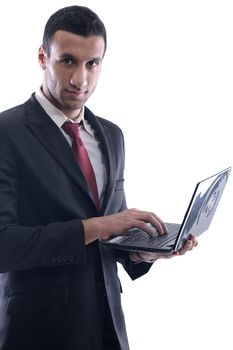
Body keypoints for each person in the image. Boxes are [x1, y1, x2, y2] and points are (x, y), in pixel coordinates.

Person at [0, 5, 198, 350]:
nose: (81, 79)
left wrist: (145, 252)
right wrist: (99, 225)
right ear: (43, 57)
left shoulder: (111, 135)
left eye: (92, 63)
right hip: (37, 333)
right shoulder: (6, 132)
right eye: (68, 61)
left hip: (108, 327)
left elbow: (112, 240)